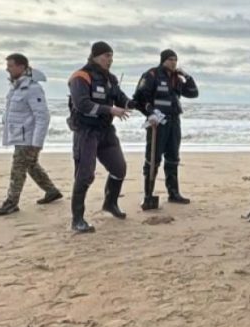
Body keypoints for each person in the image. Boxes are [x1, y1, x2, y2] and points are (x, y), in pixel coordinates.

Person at [67, 41, 132, 232]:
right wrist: (110, 109)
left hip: (106, 131)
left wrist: (136, 104)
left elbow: (121, 99)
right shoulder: (80, 76)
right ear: (95, 56)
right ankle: (77, 219)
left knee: (119, 168)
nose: (110, 60)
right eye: (106, 56)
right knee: (85, 175)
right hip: (86, 131)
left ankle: (110, 203)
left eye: (111, 56)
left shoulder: (110, 79)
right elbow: (82, 104)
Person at [0, 53, 62, 215]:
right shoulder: (17, 87)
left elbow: (42, 116)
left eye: (10, 66)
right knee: (30, 165)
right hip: (20, 135)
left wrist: (37, 142)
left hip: (28, 137)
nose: (7, 69)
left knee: (18, 168)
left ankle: (11, 202)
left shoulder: (32, 88)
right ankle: (51, 191)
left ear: (21, 67)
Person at [132, 48, 199, 207]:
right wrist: (150, 112)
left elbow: (193, 93)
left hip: (174, 121)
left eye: (175, 60)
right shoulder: (152, 75)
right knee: (153, 158)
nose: (174, 63)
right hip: (157, 123)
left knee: (173, 157)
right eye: (170, 60)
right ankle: (148, 194)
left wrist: (187, 76)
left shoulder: (176, 78)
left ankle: (173, 193)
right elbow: (138, 99)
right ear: (163, 60)